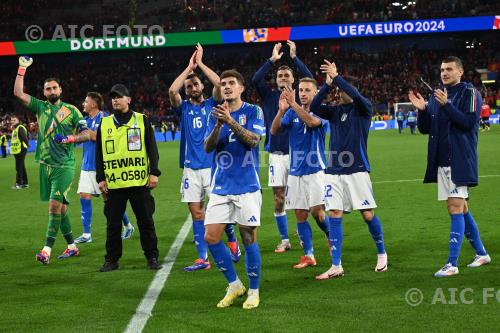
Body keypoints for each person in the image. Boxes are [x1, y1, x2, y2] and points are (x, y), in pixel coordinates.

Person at [408, 56, 491, 277]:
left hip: (460, 160)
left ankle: (451, 264)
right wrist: (423, 110)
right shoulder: (436, 96)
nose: (444, 73)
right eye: (442, 69)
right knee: (461, 208)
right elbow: (426, 129)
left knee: (454, 207)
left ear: (460, 72)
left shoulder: (469, 93)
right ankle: (481, 253)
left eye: (449, 69)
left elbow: (468, 123)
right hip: (442, 162)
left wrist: (447, 104)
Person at [310, 60, 388, 280]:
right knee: (334, 214)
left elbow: (353, 93)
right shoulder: (334, 112)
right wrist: (327, 84)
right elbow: (315, 107)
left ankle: (382, 253)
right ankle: (336, 265)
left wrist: (337, 78)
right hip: (334, 171)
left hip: (357, 170)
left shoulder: (363, 109)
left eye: (338, 90)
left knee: (367, 214)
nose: (336, 93)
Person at [169, 44, 241, 272]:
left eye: (195, 84)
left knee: (219, 211)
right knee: (196, 212)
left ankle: (232, 241)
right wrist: (188, 69)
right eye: (189, 86)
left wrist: (199, 65)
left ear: (202, 86)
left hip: (212, 167)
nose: (191, 88)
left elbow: (219, 83)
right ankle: (202, 258)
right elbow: (172, 92)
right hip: (191, 168)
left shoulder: (213, 103)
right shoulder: (183, 109)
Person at [13, 56, 91, 264]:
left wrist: (70, 138)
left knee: (54, 207)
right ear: (44, 93)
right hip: (45, 166)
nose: (52, 92)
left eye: (54, 88)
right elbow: (18, 93)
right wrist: (22, 68)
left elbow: (88, 134)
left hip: (64, 166)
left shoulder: (72, 111)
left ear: (60, 90)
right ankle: (72, 247)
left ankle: (46, 250)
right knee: (62, 209)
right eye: (48, 89)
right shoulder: (40, 107)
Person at [204, 70, 264, 309]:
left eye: (231, 83)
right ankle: (234, 284)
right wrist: (219, 125)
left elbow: (253, 141)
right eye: (223, 84)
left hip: (247, 185)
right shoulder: (215, 112)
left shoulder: (253, 111)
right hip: (221, 185)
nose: (226, 87)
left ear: (241, 88)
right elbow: (208, 147)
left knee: (248, 237)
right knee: (211, 236)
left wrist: (231, 122)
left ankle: (254, 290)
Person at [252, 40, 313, 253]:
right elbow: (255, 79)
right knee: (279, 198)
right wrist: (273, 60)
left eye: (287, 75)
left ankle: (302, 233)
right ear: (276, 80)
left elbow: (312, 79)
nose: (283, 77)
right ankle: (285, 239)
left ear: (293, 79)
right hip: (276, 155)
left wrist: (294, 58)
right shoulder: (269, 96)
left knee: (300, 199)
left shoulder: (302, 96)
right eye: (280, 75)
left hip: (298, 154)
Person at [95, 84, 162, 272]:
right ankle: (112, 260)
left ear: (128, 99)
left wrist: (154, 172)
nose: (115, 100)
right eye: (113, 97)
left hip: (139, 182)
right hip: (114, 184)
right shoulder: (105, 123)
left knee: (146, 222)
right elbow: (99, 154)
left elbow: (152, 149)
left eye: (119, 96)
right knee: (113, 225)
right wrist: (101, 178)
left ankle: (152, 257)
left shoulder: (142, 120)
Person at [270, 79, 330, 270]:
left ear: (316, 92)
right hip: (295, 172)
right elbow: (274, 130)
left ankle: (331, 237)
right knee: (300, 214)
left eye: (307, 90)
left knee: (317, 212)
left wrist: (293, 104)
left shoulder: (324, 112)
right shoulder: (291, 113)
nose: (303, 93)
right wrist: (281, 110)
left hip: (315, 170)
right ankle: (309, 255)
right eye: (301, 90)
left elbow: (312, 122)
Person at [74, 92, 134, 244]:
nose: (83, 104)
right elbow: (77, 141)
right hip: (86, 166)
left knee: (109, 200)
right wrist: (76, 129)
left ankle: (127, 225)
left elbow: (98, 137)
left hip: (102, 167)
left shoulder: (105, 118)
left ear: (94, 104)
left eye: (86, 101)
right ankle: (87, 234)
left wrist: (85, 129)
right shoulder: (85, 120)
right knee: (84, 196)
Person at [10, 116, 29, 189]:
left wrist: (27, 144)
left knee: (18, 167)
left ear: (18, 120)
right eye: (11, 120)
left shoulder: (20, 127)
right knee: (21, 166)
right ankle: (25, 183)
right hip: (17, 150)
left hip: (21, 149)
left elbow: (24, 137)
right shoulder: (15, 128)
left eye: (14, 120)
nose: (12, 121)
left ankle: (19, 183)